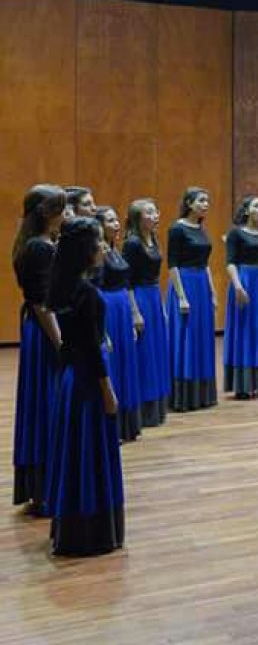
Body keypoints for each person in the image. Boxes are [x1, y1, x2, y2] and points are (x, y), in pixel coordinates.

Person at [45, 217, 125, 556]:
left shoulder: (62, 286)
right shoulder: (88, 294)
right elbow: (93, 350)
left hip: (70, 380)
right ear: (85, 251)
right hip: (88, 382)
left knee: (72, 451)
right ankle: (93, 531)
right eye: (97, 244)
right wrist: (108, 390)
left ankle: (72, 525)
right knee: (89, 451)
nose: (102, 248)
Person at [12, 184, 66, 514]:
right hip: (47, 332)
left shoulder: (42, 244)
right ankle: (47, 488)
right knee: (48, 404)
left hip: (42, 329)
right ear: (47, 213)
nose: (67, 215)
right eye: (63, 209)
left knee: (47, 403)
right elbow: (43, 303)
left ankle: (46, 487)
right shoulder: (39, 248)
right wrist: (62, 343)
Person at [166, 187, 218, 411]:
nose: (206, 204)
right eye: (201, 201)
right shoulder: (177, 229)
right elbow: (172, 264)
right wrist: (181, 296)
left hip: (201, 285)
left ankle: (202, 394)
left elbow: (206, 264)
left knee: (202, 338)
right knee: (185, 338)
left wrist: (213, 292)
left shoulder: (201, 229)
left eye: (207, 201)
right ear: (189, 203)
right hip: (185, 283)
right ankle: (183, 396)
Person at [94, 207, 142, 442]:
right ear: (100, 225)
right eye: (110, 220)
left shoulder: (115, 249)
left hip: (122, 309)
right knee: (112, 366)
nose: (116, 224)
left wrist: (133, 316)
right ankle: (113, 426)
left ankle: (127, 425)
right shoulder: (99, 252)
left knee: (125, 364)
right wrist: (102, 329)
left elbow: (126, 282)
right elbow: (95, 289)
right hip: (109, 309)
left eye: (116, 219)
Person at [123, 199, 171, 427]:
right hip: (140, 297)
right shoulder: (132, 243)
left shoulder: (154, 239)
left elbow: (155, 276)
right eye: (149, 213)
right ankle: (143, 408)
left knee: (156, 351)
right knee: (144, 353)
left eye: (155, 211)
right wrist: (134, 312)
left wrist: (161, 303)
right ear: (137, 218)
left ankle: (158, 406)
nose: (155, 216)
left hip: (153, 295)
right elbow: (127, 280)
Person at [224, 195, 258, 399]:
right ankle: (243, 384)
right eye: (256, 205)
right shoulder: (236, 234)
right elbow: (230, 262)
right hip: (245, 282)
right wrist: (237, 286)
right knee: (244, 330)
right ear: (246, 211)